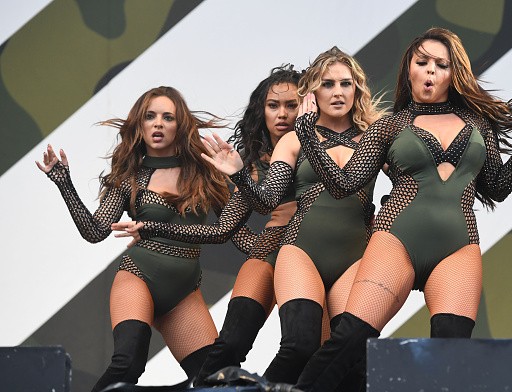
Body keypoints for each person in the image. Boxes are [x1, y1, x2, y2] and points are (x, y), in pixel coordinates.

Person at [291, 27, 512, 391]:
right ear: (408, 70)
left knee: (450, 354)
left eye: (441, 64)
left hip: (457, 248)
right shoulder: (390, 126)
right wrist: (306, 134)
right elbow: (342, 184)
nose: (431, 71)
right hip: (396, 238)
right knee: (349, 341)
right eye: (422, 62)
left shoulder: (478, 124)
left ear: (453, 74)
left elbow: (497, 187)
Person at [36, 86, 255, 392]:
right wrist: (64, 184)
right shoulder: (129, 179)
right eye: (150, 116)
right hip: (138, 279)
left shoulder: (204, 172)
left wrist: (286, 237)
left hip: (183, 294)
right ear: (139, 124)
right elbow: (96, 231)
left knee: (215, 378)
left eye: (168, 117)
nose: (158, 123)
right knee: (128, 364)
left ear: (180, 126)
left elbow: (237, 237)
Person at [201, 46, 385, 389]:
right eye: (328, 84)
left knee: (353, 357)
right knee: (299, 345)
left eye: (346, 83)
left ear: (357, 89)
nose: (338, 92)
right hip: (300, 252)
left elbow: (415, 178)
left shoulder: (376, 136)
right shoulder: (293, 139)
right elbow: (267, 199)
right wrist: (240, 175)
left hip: (355, 258)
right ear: (313, 91)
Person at [193, 64, 304, 384]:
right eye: (273, 106)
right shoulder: (253, 165)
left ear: (307, 107)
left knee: (308, 349)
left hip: (313, 253)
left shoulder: (318, 151)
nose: (282, 114)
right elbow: (226, 229)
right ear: (262, 112)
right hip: (272, 254)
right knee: (231, 342)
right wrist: (263, 244)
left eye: (291, 105)